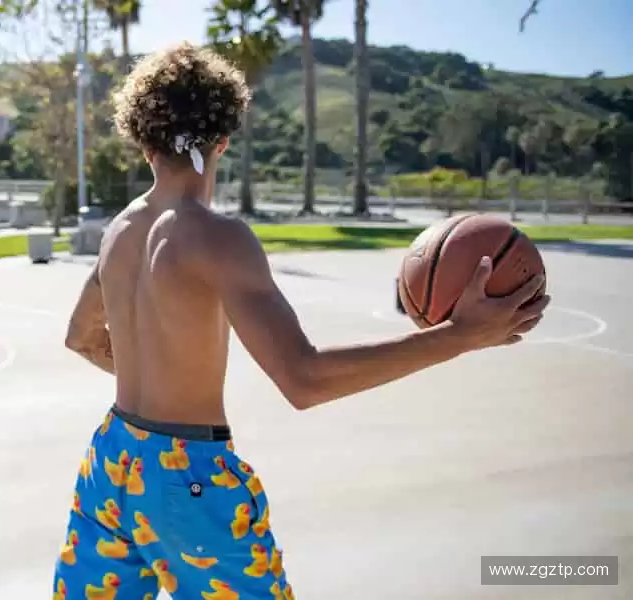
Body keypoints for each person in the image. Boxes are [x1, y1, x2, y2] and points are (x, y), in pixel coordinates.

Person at [52, 43, 549, 599]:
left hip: (113, 458)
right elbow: (303, 380)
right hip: (188, 480)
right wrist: (458, 337)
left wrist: (154, 379)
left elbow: (81, 337)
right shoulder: (217, 238)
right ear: (223, 138)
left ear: (143, 142)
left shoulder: (119, 230)